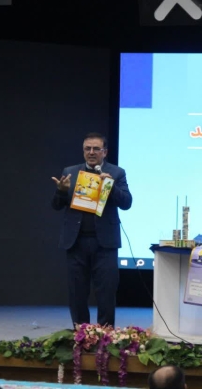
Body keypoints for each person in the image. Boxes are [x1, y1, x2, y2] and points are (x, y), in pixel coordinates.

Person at [51, 132, 133, 328]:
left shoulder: (117, 173)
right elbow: (56, 206)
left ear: (105, 152)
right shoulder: (71, 172)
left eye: (96, 149)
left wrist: (110, 186)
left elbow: (126, 203)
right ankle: (81, 335)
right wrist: (61, 191)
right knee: (77, 292)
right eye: (87, 149)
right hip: (76, 241)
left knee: (106, 292)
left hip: (104, 243)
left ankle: (106, 336)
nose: (91, 152)